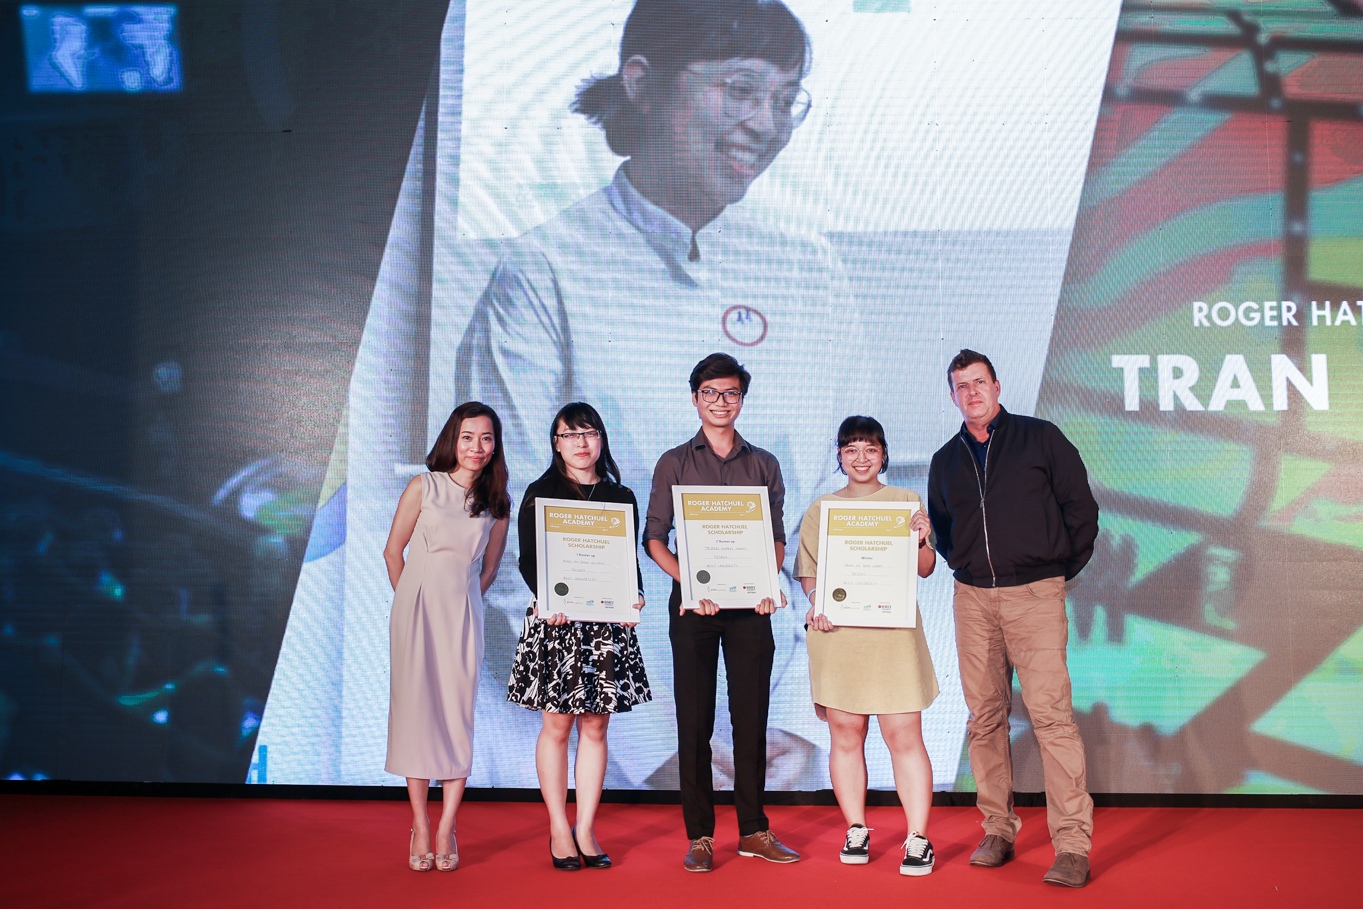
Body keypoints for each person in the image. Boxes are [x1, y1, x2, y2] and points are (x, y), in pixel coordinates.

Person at [926, 349, 1100, 888]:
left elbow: (1082, 511)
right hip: (973, 599)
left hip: (1035, 596)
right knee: (985, 719)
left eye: (980, 382)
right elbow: (943, 529)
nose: (972, 393)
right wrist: (970, 567)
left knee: (1051, 718)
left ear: (997, 386)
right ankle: (997, 829)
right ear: (952, 395)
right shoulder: (945, 459)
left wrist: (1051, 571)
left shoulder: (1041, 438)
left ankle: (1071, 843)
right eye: (962, 386)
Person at [644, 352, 797, 872]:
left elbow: (775, 541)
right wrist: (692, 583)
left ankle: (754, 830)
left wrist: (765, 582)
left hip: (751, 608)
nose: (721, 402)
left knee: (750, 721)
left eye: (731, 393)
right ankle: (701, 836)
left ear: (742, 399)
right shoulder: (674, 462)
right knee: (695, 722)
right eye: (710, 393)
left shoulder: (764, 463)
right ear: (695, 399)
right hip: (695, 608)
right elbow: (655, 540)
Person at [506, 402, 652, 870]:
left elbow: (625, 561)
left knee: (596, 725)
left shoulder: (621, 496)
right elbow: (529, 561)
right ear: (556, 443)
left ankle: (585, 828)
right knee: (557, 725)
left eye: (589, 433)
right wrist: (548, 599)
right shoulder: (540, 493)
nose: (581, 443)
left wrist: (636, 596)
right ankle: (556, 827)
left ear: (601, 439)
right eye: (570, 435)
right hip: (557, 623)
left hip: (606, 626)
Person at [794, 416, 939, 876]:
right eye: (851, 448)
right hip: (838, 639)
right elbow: (809, 572)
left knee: (904, 737)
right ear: (839, 456)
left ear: (883, 454)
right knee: (845, 736)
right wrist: (817, 602)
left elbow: (925, 568)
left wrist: (921, 537)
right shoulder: (823, 509)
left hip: (893, 638)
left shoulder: (905, 503)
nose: (861, 457)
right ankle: (856, 828)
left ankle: (918, 838)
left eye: (869, 449)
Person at [383, 402, 512, 872]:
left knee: (458, 719)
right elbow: (392, 551)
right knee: (416, 718)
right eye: (468, 437)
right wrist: (413, 603)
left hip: (463, 617)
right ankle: (420, 824)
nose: (477, 447)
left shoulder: (498, 501)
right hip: (415, 616)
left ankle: (446, 827)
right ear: (451, 440)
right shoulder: (424, 485)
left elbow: (490, 567)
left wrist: (460, 603)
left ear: (496, 445)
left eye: (486, 438)